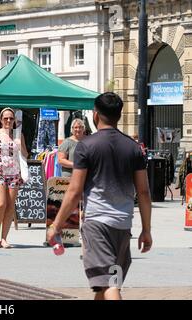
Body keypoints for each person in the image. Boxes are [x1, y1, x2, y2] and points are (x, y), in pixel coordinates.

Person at [47, 92, 152, 300]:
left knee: (110, 286)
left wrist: (56, 225)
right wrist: (146, 230)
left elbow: (75, 190)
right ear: (119, 115)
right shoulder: (133, 148)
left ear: (95, 115)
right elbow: (143, 192)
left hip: (97, 224)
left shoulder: (86, 146)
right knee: (104, 286)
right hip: (123, 225)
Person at [0, 108, 28, 249]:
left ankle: (4, 238)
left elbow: (26, 154)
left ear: (14, 120)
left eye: (11, 118)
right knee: (1, 203)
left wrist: (20, 147)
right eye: (6, 118)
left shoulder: (18, 135)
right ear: (1, 120)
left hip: (14, 173)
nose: (8, 121)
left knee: (10, 205)